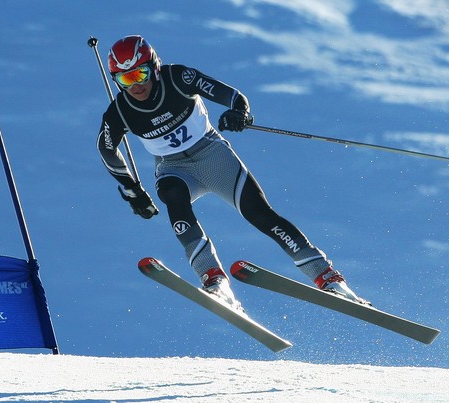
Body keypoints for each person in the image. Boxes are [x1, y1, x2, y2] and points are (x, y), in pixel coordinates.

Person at [97, 35, 368, 309]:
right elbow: (107, 150)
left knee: (259, 214)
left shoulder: (179, 78)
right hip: (173, 167)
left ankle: (328, 277)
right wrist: (132, 190)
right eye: (126, 79)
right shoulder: (119, 111)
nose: (136, 85)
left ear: (154, 67)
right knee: (174, 199)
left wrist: (239, 113)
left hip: (212, 156)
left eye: (140, 74)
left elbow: (233, 96)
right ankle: (215, 280)